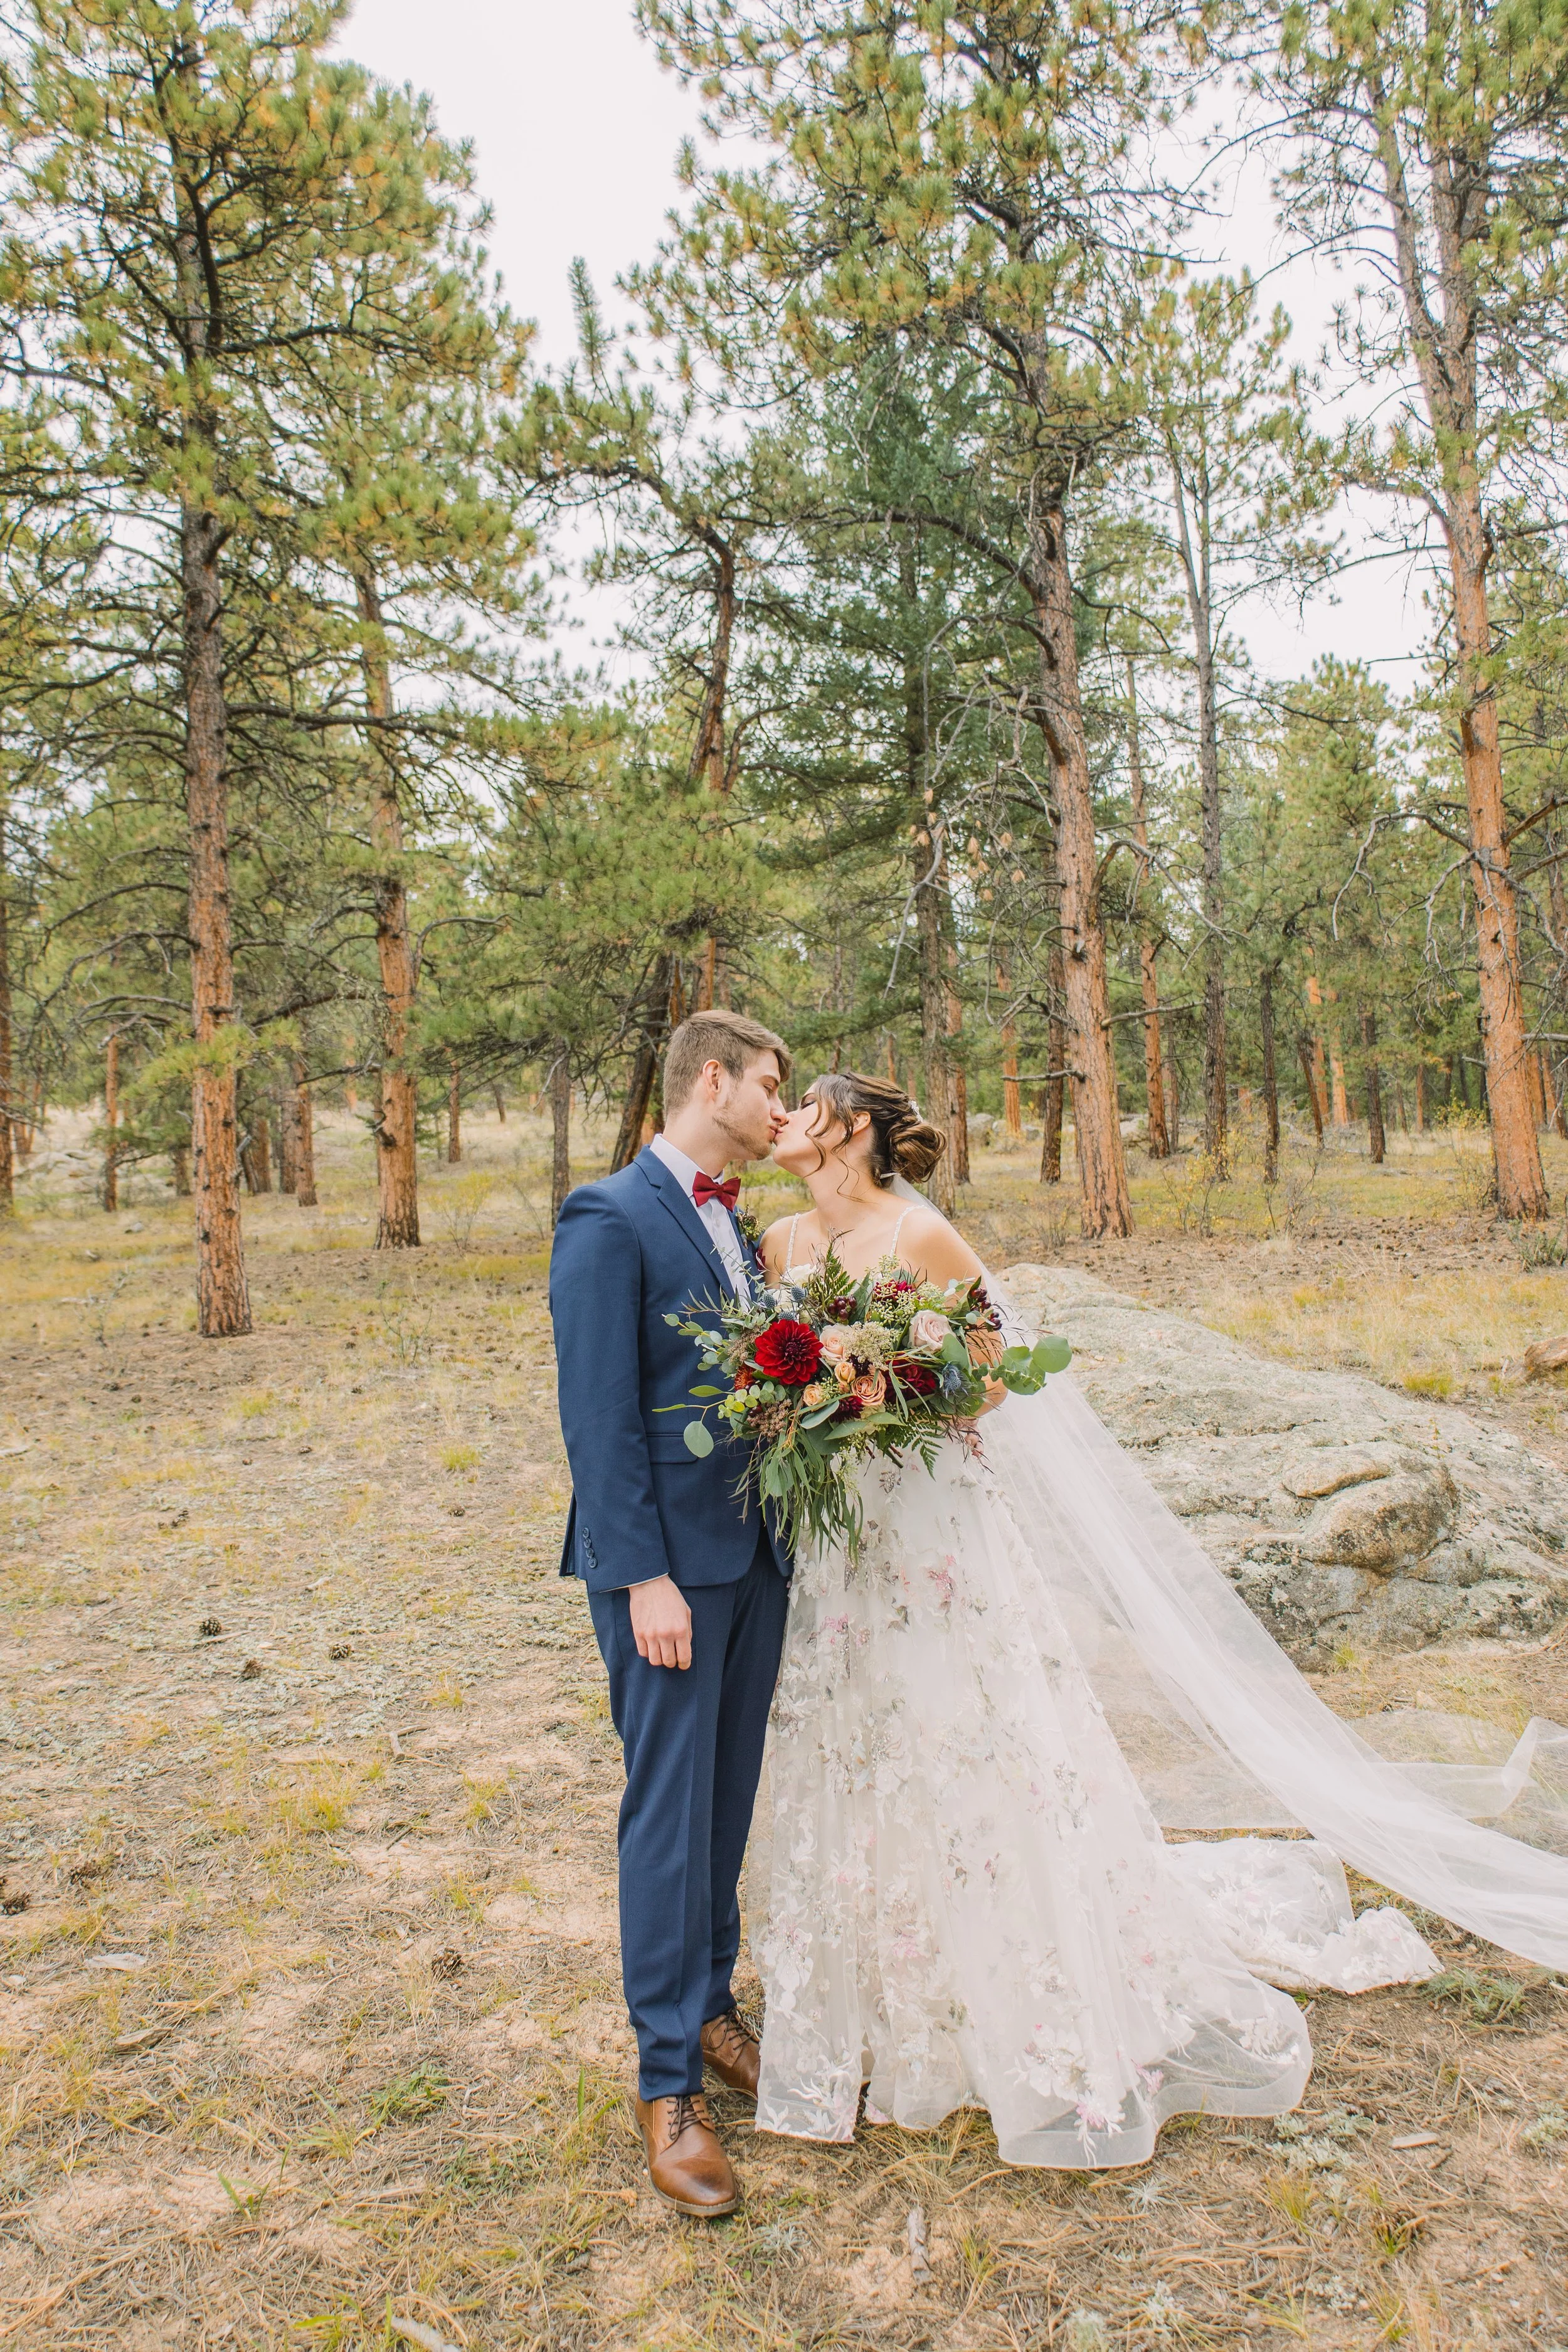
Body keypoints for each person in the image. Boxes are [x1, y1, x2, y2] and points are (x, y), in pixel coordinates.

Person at [750, 1071, 1568, 2169]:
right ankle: (886, 1993)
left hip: (935, 1531)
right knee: (858, 1744)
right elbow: (771, 1377)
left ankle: (1013, 1989)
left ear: (850, 1129)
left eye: (806, 1103)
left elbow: (992, 1375)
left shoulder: (923, 1235)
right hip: (845, 1544)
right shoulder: (781, 1241)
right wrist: (815, 1404)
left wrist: (892, 1388)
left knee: (966, 1734)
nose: (786, 1118)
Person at [549, 1010, 793, 2217]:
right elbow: (596, 1417)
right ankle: (665, 2087)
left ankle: (711, 2010)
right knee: (666, 1815)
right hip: (666, 1579)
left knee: (727, 1801)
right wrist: (642, 1575)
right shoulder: (608, 1217)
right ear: (713, 1080)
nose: (778, 1109)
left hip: (754, 1558)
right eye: (766, 1086)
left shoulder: (736, 1216)